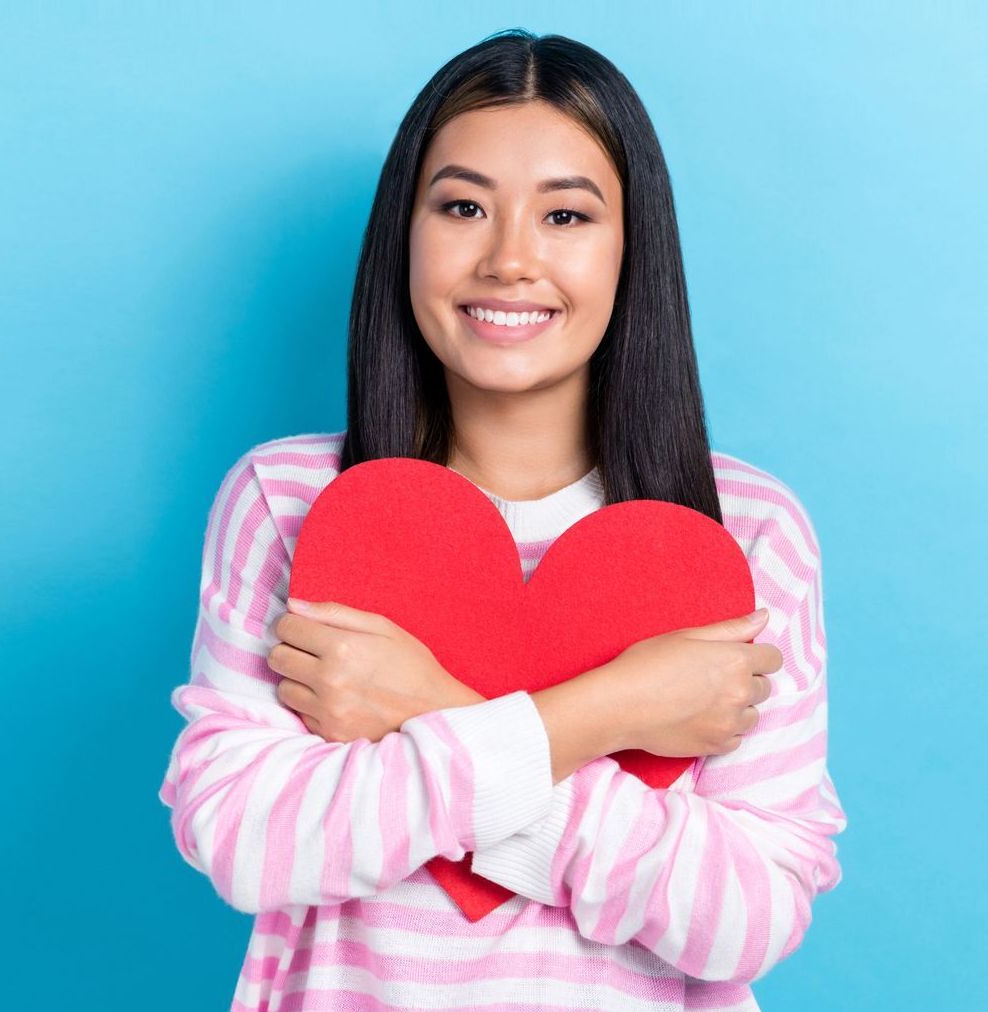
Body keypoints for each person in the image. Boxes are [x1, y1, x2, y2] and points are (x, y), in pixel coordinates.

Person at [158, 29, 847, 1012]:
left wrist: (419, 704)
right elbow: (246, 844)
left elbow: (747, 919)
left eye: (565, 213)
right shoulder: (288, 500)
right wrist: (605, 710)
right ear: (406, 229)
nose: (510, 257)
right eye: (463, 206)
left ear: (630, 248)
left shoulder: (745, 531)